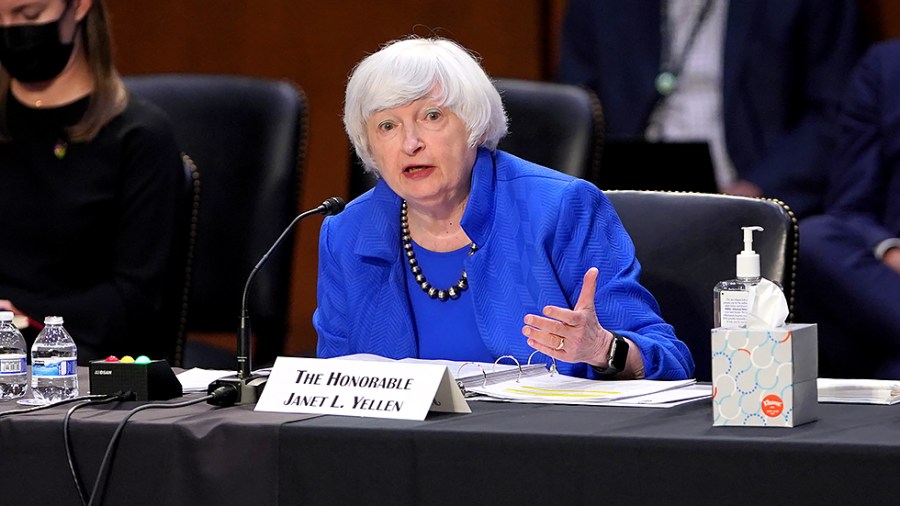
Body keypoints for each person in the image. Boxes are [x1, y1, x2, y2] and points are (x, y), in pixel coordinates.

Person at [314, 37, 694, 380]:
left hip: (538, 445)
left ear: (473, 125)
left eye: (432, 117)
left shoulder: (560, 208)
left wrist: (602, 349)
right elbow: (334, 384)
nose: (410, 143)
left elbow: (671, 360)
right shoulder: (348, 232)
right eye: (387, 126)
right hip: (397, 452)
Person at [0, 0, 184, 363]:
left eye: (29, 15)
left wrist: (16, 313)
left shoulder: (139, 137)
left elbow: (136, 302)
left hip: (84, 368)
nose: (10, 30)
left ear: (80, 6)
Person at [558, 0, 863, 218]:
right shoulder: (599, 6)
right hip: (626, 198)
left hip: (750, 194)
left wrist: (760, 188)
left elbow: (833, 114)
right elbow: (577, 110)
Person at [797, 39, 900, 379]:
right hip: (890, 281)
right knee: (814, 237)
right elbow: (850, 207)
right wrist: (890, 250)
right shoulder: (887, 66)